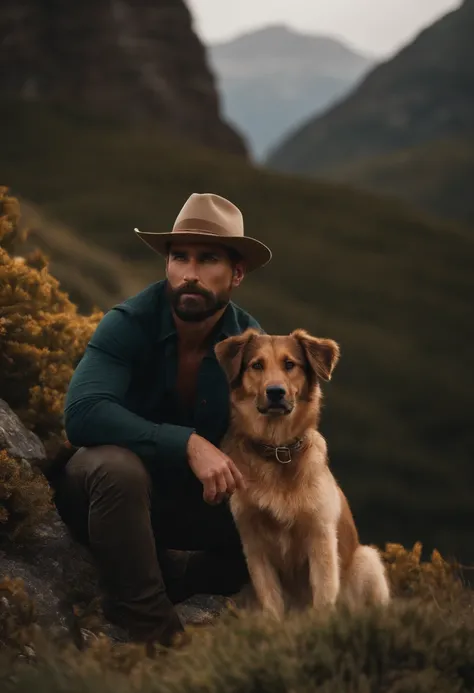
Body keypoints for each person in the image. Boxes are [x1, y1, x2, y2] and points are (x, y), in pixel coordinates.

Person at [50, 192, 272, 647]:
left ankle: (173, 576)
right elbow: (83, 414)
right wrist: (187, 443)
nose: (189, 274)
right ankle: (154, 630)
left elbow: (271, 445)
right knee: (118, 468)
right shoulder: (129, 322)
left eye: (207, 259)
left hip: (180, 507)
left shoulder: (253, 348)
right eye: (179, 257)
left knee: (275, 516)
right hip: (101, 494)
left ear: (236, 273)